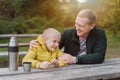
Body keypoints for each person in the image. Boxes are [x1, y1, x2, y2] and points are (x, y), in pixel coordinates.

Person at [29, 9, 107, 64]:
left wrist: (74, 59)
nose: (77, 28)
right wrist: (38, 45)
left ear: (92, 26)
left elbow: (99, 56)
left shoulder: (99, 34)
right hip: (68, 69)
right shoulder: (68, 33)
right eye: (76, 24)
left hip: (91, 69)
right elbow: (52, 47)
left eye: (81, 26)